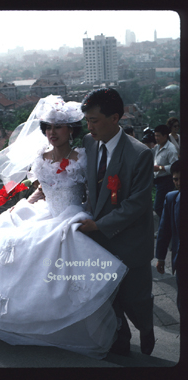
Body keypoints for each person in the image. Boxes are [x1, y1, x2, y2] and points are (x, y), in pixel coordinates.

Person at [0, 95, 127, 360]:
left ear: (71, 129)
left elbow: (93, 190)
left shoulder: (83, 156)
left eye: (58, 127)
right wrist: (23, 204)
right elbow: (41, 190)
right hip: (46, 214)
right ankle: (20, 322)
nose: (51, 132)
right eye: (48, 127)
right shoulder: (40, 158)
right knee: (11, 236)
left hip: (71, 214)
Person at [78, 88, 155, 356]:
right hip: (97, 242)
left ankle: (146, 328)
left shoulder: (139, 154)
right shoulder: (89, 142)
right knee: (107, 297)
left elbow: (137, 203)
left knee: (136, 298)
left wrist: (99, 225)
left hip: (129, 241)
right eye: (87, 121)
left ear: (115, 118)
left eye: (95, 120)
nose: (90, 127)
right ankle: (120, 336)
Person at [155, 160, 180, 312]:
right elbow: (164, 230)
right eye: (176, 179)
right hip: (181, 259)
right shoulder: (171, 199)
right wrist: (160, 257)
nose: (179, 183)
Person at [153, 124, 178, 218]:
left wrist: (160, 168)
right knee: (163, 206)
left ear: (165, 136)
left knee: (158, 207)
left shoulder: (171, 149)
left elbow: (175, 167)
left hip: (166, 181)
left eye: (158, 136)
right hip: (158, 181)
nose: (156, 138)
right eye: (155, 135)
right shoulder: (157, 147)